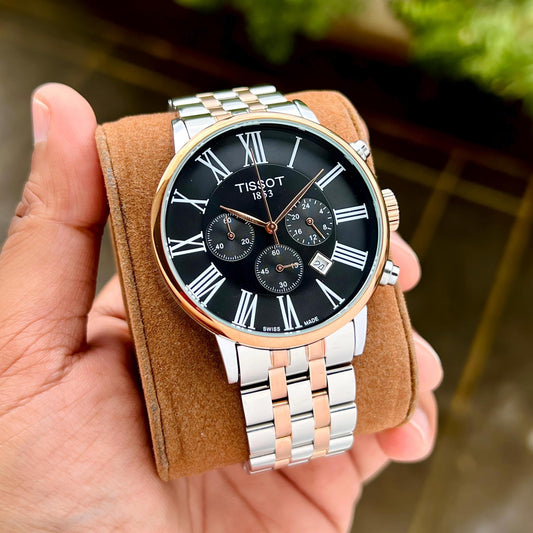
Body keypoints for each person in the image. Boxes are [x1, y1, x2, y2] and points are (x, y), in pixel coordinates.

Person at [0, 84, 442, 532]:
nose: (271, 227)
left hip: (336, 310)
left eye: (275, 223)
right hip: (238, 338)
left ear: (384, 210)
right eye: (263, 224)